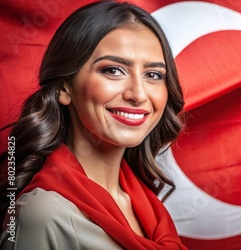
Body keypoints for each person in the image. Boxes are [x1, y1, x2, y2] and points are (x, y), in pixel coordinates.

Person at [0, 1, 187, 249]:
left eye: (153, 75)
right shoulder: (42, 215)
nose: (138, 94)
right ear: (64, 88)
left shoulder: (146, 204)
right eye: (113, 70)